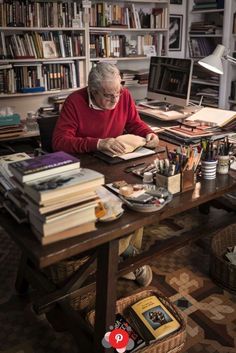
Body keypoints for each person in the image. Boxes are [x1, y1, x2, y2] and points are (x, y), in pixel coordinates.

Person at [53, 62, 160, 287]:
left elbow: (134, 123)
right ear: (93, 91)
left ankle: (124, 253)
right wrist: (98, 143)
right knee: (111, 210)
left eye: (118, 93)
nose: (115, 100)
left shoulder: (125, 96)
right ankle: (125, 256)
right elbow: (59, 142)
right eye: (108, 95)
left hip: (114, 164)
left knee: (140, 198)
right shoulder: (75, 101)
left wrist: (150, 134)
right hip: (84, 169)